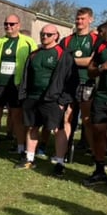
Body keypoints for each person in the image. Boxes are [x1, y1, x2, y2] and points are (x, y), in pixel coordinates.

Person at [15, 25, 76, 174]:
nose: (45, 37)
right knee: (32, 127)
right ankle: (29, 158)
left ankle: (60, 163)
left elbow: (72, 80)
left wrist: (63, 101)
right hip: (32, 98)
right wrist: (24, 96)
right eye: (43, 34)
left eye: (49, 34)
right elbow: (26, 76)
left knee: (58, 130)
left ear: (56, 36)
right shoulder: (34, 54)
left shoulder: (63, 54)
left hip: (53, 100)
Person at [0, 14, 38, 160]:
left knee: (17, 118)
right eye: (6, 24)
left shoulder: (28, 42)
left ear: (18, 25)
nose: (9, 27)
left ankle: (20, 149)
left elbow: (34, 65)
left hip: (17, 86)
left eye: (12, 24)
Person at [58, 7, 101, 163]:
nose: (79, 21)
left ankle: (97, 156)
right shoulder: (68, 40)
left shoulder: (96, 40)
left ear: (90, 20)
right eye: (77, 18)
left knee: (87, 121)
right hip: (68, 83)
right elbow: (59, 58)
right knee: (67, 118)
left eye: (83, 19)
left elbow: (93, 61)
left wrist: (70, 61)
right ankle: (62, 154)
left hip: (86, 83)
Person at [84, 20, 107, 187]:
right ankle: (99, 171)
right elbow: (90, 71)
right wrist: (102, 67)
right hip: (102, 98)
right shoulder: (104, 46)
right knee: (99, 134)